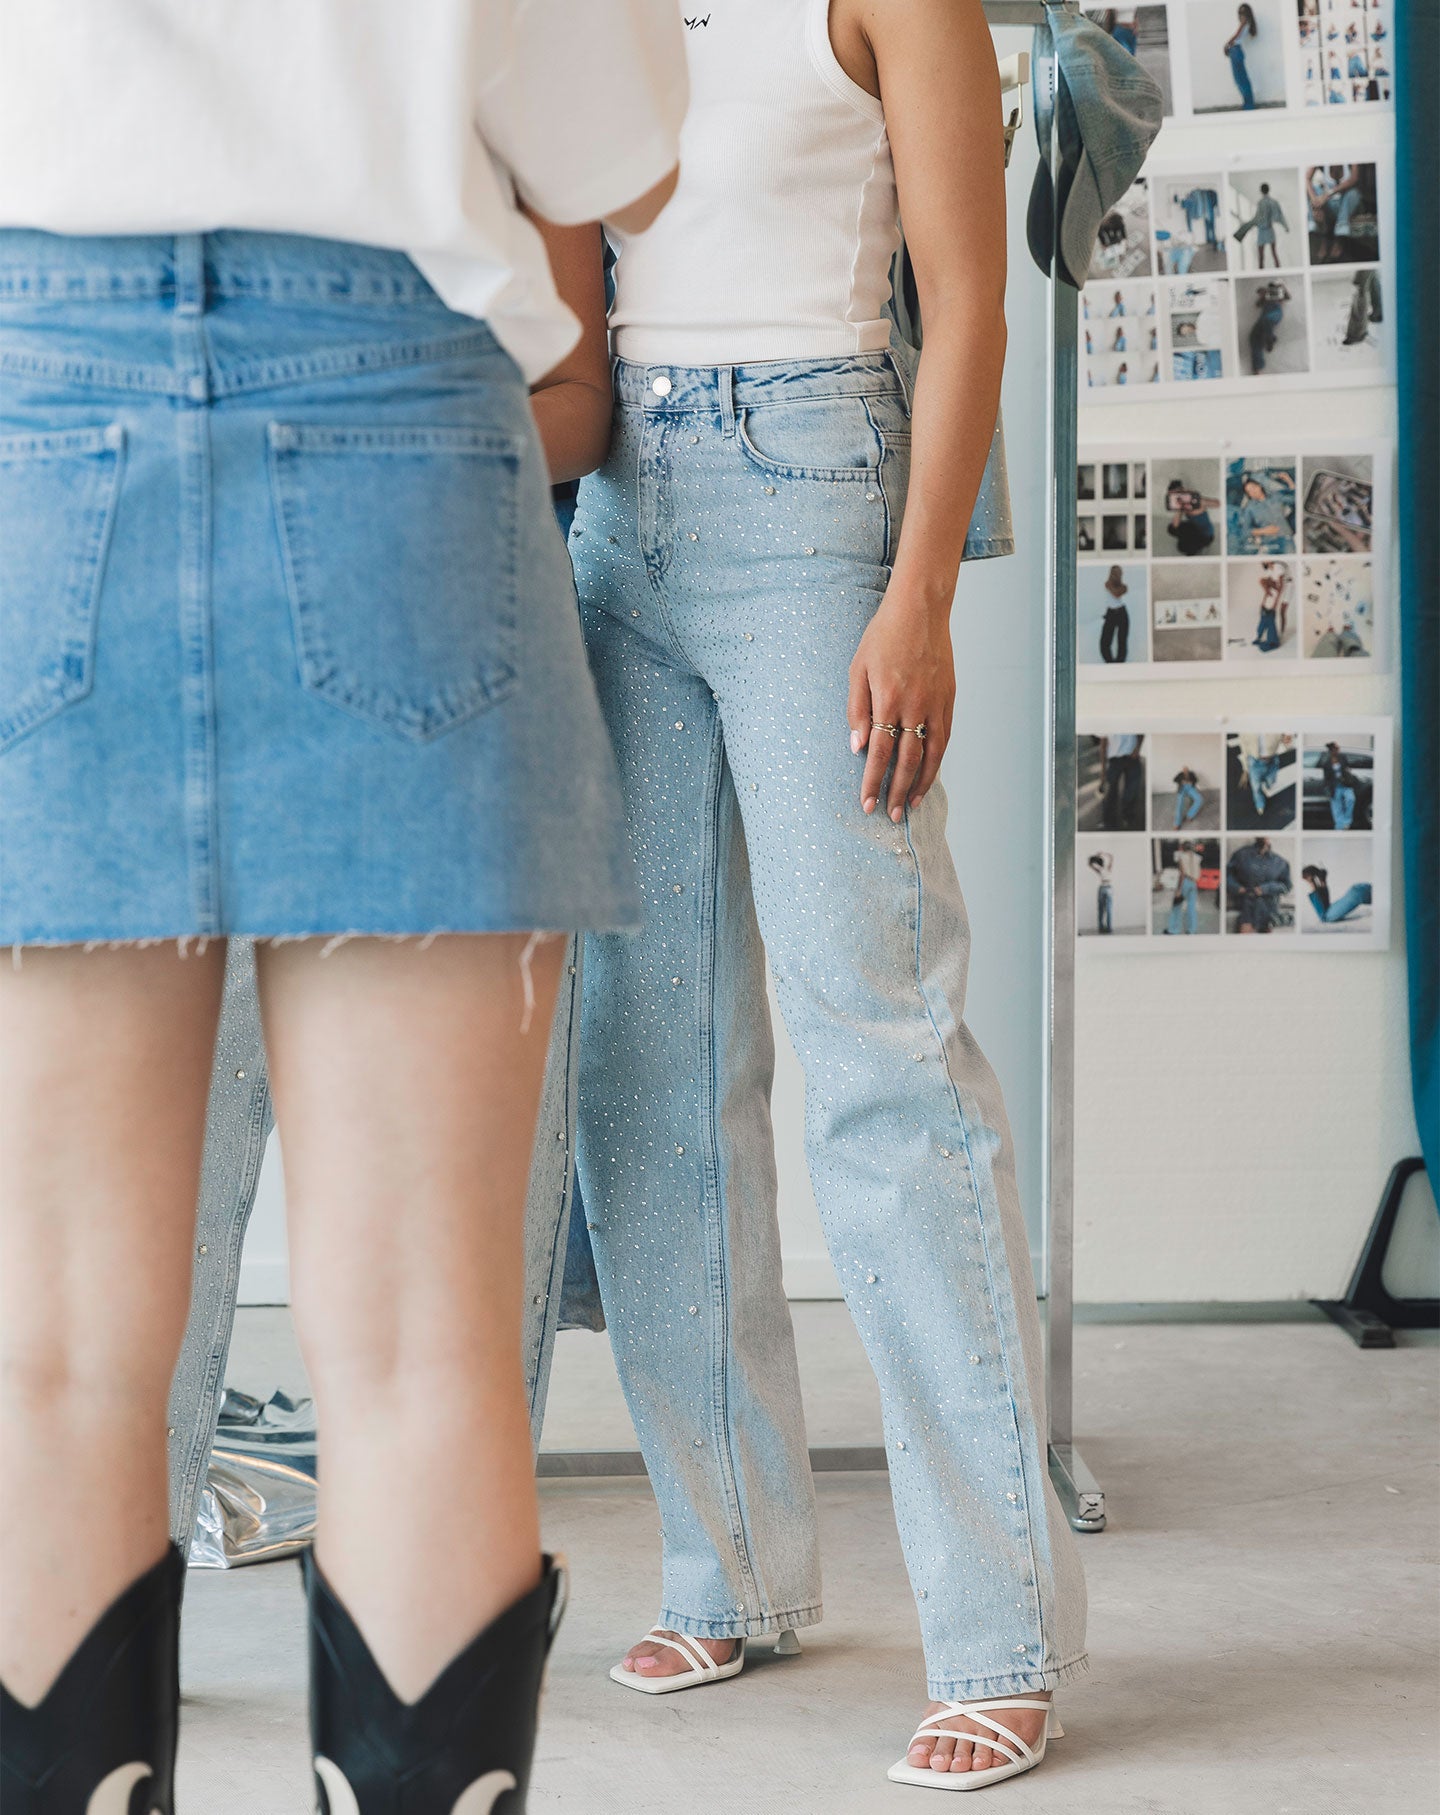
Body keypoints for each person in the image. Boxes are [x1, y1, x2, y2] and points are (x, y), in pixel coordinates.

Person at [0, 5, 685, 1807]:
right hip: (397, 420)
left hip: (31, 416)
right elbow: (625, 148)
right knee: (418, 1342)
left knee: (52, 1346)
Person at [564, 0, 1088, 1790]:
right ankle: (735, 1570)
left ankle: (1000, 1636)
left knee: (884, 1067)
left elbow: (969, 299)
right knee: (645, 1077)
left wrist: (919, 594)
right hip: (614, 512)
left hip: (817, 498)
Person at [1227, 837, 1292, 934]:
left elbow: (1287, 886)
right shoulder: (1241, 855)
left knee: (1266, 946)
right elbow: (1227, 876)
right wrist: (1236, 888)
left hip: (1269, 911)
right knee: (1243, 945)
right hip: (1246, 908)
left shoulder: (1280, 862)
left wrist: (1266, 889)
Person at [1232, 469, 1296, 552]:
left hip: (1285, 538)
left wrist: (1288, 480)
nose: (1253, 492)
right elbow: (1245, 531)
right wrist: (1263, 531)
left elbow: (1294, 499)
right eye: (1249, 491)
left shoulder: (1275, 496)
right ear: (1249, 495)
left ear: (1259, 486)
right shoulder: (1250, 508)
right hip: (1268, 543)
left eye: (1253, 487)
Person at [1237, 732, 1293, 819]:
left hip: (1272, 761)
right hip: (1254, 763)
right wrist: (1245, 769)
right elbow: (1244, 749)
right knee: (1256, 787)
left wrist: (1288, 740)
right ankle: (1260, 803)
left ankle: (1266, 783)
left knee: (1271, 781)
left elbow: (1288, 744)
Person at [1237, 182, 1289, 268]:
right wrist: (1285, 227)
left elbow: (1257, 218)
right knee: (1274, 253)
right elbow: (1280, 216)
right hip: (1268, 230)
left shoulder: (1261, 203)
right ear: (1268, 190)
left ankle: (1263, 270)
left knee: (1261, 256)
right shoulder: (1273, 202)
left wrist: (1247, 225)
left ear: (1261, 191)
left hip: (1263, 231)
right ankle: (1277, 270)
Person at [1302, 864, 1372, 924]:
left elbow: (1325, 913)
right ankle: (1319, 881)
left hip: (1358, 891)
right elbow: (1326, 911)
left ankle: (1318, 881)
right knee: (1326, 916)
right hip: (1359, 892)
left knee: (1325, 917)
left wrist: (1315, 883)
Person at [1247, 280, 1292, 374]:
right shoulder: (1266, 296)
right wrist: (1263, 296)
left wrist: (1283, 288)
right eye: (1270, 290)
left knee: (1267, 320)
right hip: (1264, 318)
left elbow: (1288, 297)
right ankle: (1257, 366)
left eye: (1274, 290)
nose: (1272, 292)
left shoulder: (1279, 294)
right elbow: (1257, 305)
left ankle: (1269, 339)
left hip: (1275, 314)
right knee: (1253, 336)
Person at [1101, 734, 1145, 829]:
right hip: (1114, 759)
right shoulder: (1106, 720)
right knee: (1110, 793)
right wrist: (1103, 771)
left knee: (1131, 791)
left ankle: (1128, 818)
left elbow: (1141, 732)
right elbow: (1103, 743)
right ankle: (1109, 822)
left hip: (1132, 757)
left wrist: (1137, 749)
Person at [1165, 480, 1218, 555]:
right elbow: (1175, 526)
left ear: (1182, 491)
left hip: (1206, 535)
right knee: (1171, 529)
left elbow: (1217, 504)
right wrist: (1178, 507)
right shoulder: (1182, 503)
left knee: (1185, 546)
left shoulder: (1194, 500)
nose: (1177, 497)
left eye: (1178, 493)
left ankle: (1194, 547)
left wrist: (1201, 500)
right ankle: (1192, 543)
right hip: (1195, 528)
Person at [1317, 740, 1362, 830]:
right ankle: (1339, 826)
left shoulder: (1342, 758)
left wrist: (1347, 773)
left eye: (1338, 748)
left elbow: (1348, 768)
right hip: (1335, 787)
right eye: (1337, 748)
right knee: (1337, 807)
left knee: (1351, 800)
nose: (1339, 749)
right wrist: (1327, 789)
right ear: (1332, 750)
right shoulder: (1327, 763)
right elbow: (1326, 778)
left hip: (1346, 785)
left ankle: (1347, 822)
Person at [1224, 4, 1259, 108]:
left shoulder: (1244, 22)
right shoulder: (1247, 23)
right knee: (1241, 79)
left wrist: (1226, 45)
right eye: (1240, 12)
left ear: (1247, 13)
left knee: (1241, 80)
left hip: (1236, 51)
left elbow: (1236, 36)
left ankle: (1248, 105)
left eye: (1243, 12)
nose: (1241, 14)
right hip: (1236, 51)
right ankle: (1247, 104)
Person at [1165, 842, 1202, 935]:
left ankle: (1173, 930)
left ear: (1183, 848)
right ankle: (1191, 930)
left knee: (1177, 906)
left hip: (1185, 881)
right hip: (1193, 882)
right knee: (1191, 907)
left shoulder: (1181, 857)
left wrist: (1178, 889)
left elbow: (1181, 874)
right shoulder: (1198, 858)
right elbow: (1199, 871)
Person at [1252, 561, 1289, 651]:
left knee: (1278, 614)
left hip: (1286, 589)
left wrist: (1274, 605)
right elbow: (1267, 587)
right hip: (1277, 589)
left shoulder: (1278, 568)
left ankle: (1278, 637)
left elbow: (1281, 588)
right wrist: (1263, 603)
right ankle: (1259, 636)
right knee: (1263, 618)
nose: (1262, 563)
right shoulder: (1270, 571)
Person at [1100, 565, 1131, 663]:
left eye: (1118, 573)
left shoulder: (1122, 587)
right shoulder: (1108, 584)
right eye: (1114, 573)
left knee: (1122, 640)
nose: (1116, 575)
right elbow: (1115, 593)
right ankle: (1110, 663)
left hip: (1122, 612)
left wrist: (1114, 586)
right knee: (1105, 641)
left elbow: (1117, 593)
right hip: (1110, 613)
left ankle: (1120, 663)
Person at [1090, 851, 1116, 934]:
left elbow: (1090, 864)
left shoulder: (1100, 869)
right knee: (1108, 909)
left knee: (1101, 909)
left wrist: (1098, 855)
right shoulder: (1106, 869)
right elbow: (1111, 857)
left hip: (1102, 888)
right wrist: (1103, 854)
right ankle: (1108, 928)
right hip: (1108, 888)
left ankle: (1102, 928)